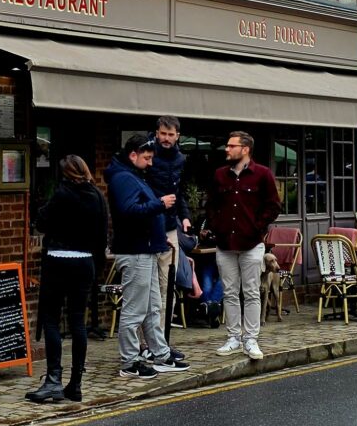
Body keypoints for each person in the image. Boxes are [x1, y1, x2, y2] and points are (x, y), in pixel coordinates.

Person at [105, 134, 191, 379]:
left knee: (153, 307)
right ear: (133, 155)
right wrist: (160, 204)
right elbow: (129, 211)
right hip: (135, 252)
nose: (151, 163)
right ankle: (129, 362)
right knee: (135, 310)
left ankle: (159, 354)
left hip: (147, 248)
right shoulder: (123, 178)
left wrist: (158, 238)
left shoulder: (132, 175)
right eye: (147, 157)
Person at [25, 155, 108, 404]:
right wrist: (97, 267)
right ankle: (76, 383)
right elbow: (103, 235)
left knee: (51, 319)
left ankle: (53, 380)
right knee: (77, 322)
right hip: (85, 262)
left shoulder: (62, 194)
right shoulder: (97, 196)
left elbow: (41, 222)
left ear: (65, 174)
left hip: (58, 260)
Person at [204, 131, 281, 360]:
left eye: (231, 146)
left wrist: (257, 227)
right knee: (229, 292)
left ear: (245, 149)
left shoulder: (263, 174)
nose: (227, 149)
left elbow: (274, 206)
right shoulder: (220, 175)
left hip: (252, 244)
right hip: (225, 244)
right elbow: (211, 205)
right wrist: (217, 226)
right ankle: (233, 338)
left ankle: (251, 339)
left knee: (251, 292)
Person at [141, 115, 191, 360]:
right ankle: (144, 344)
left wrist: (185, 216)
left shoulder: (181, 159)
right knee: (147, 289)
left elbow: (179, 192)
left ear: (178, 136)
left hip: (170, 227)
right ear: (156, 133)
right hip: (148, 226)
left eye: (171, 135)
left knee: (167, 287)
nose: (167, 139)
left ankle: (161, 343)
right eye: (163, 134)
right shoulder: (147, 155)